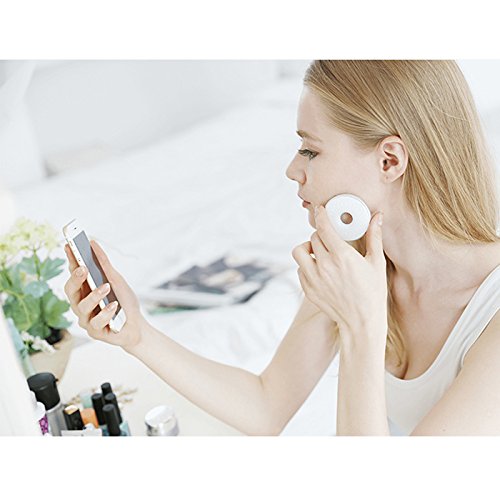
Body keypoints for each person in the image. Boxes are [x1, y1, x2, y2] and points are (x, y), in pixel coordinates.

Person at [63, 60, 500, 436]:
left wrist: (361, 326)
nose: (293, 169)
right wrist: (139, 335)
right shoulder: (358, 267)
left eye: (310, 150)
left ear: (390, 160)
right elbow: (266, 405)